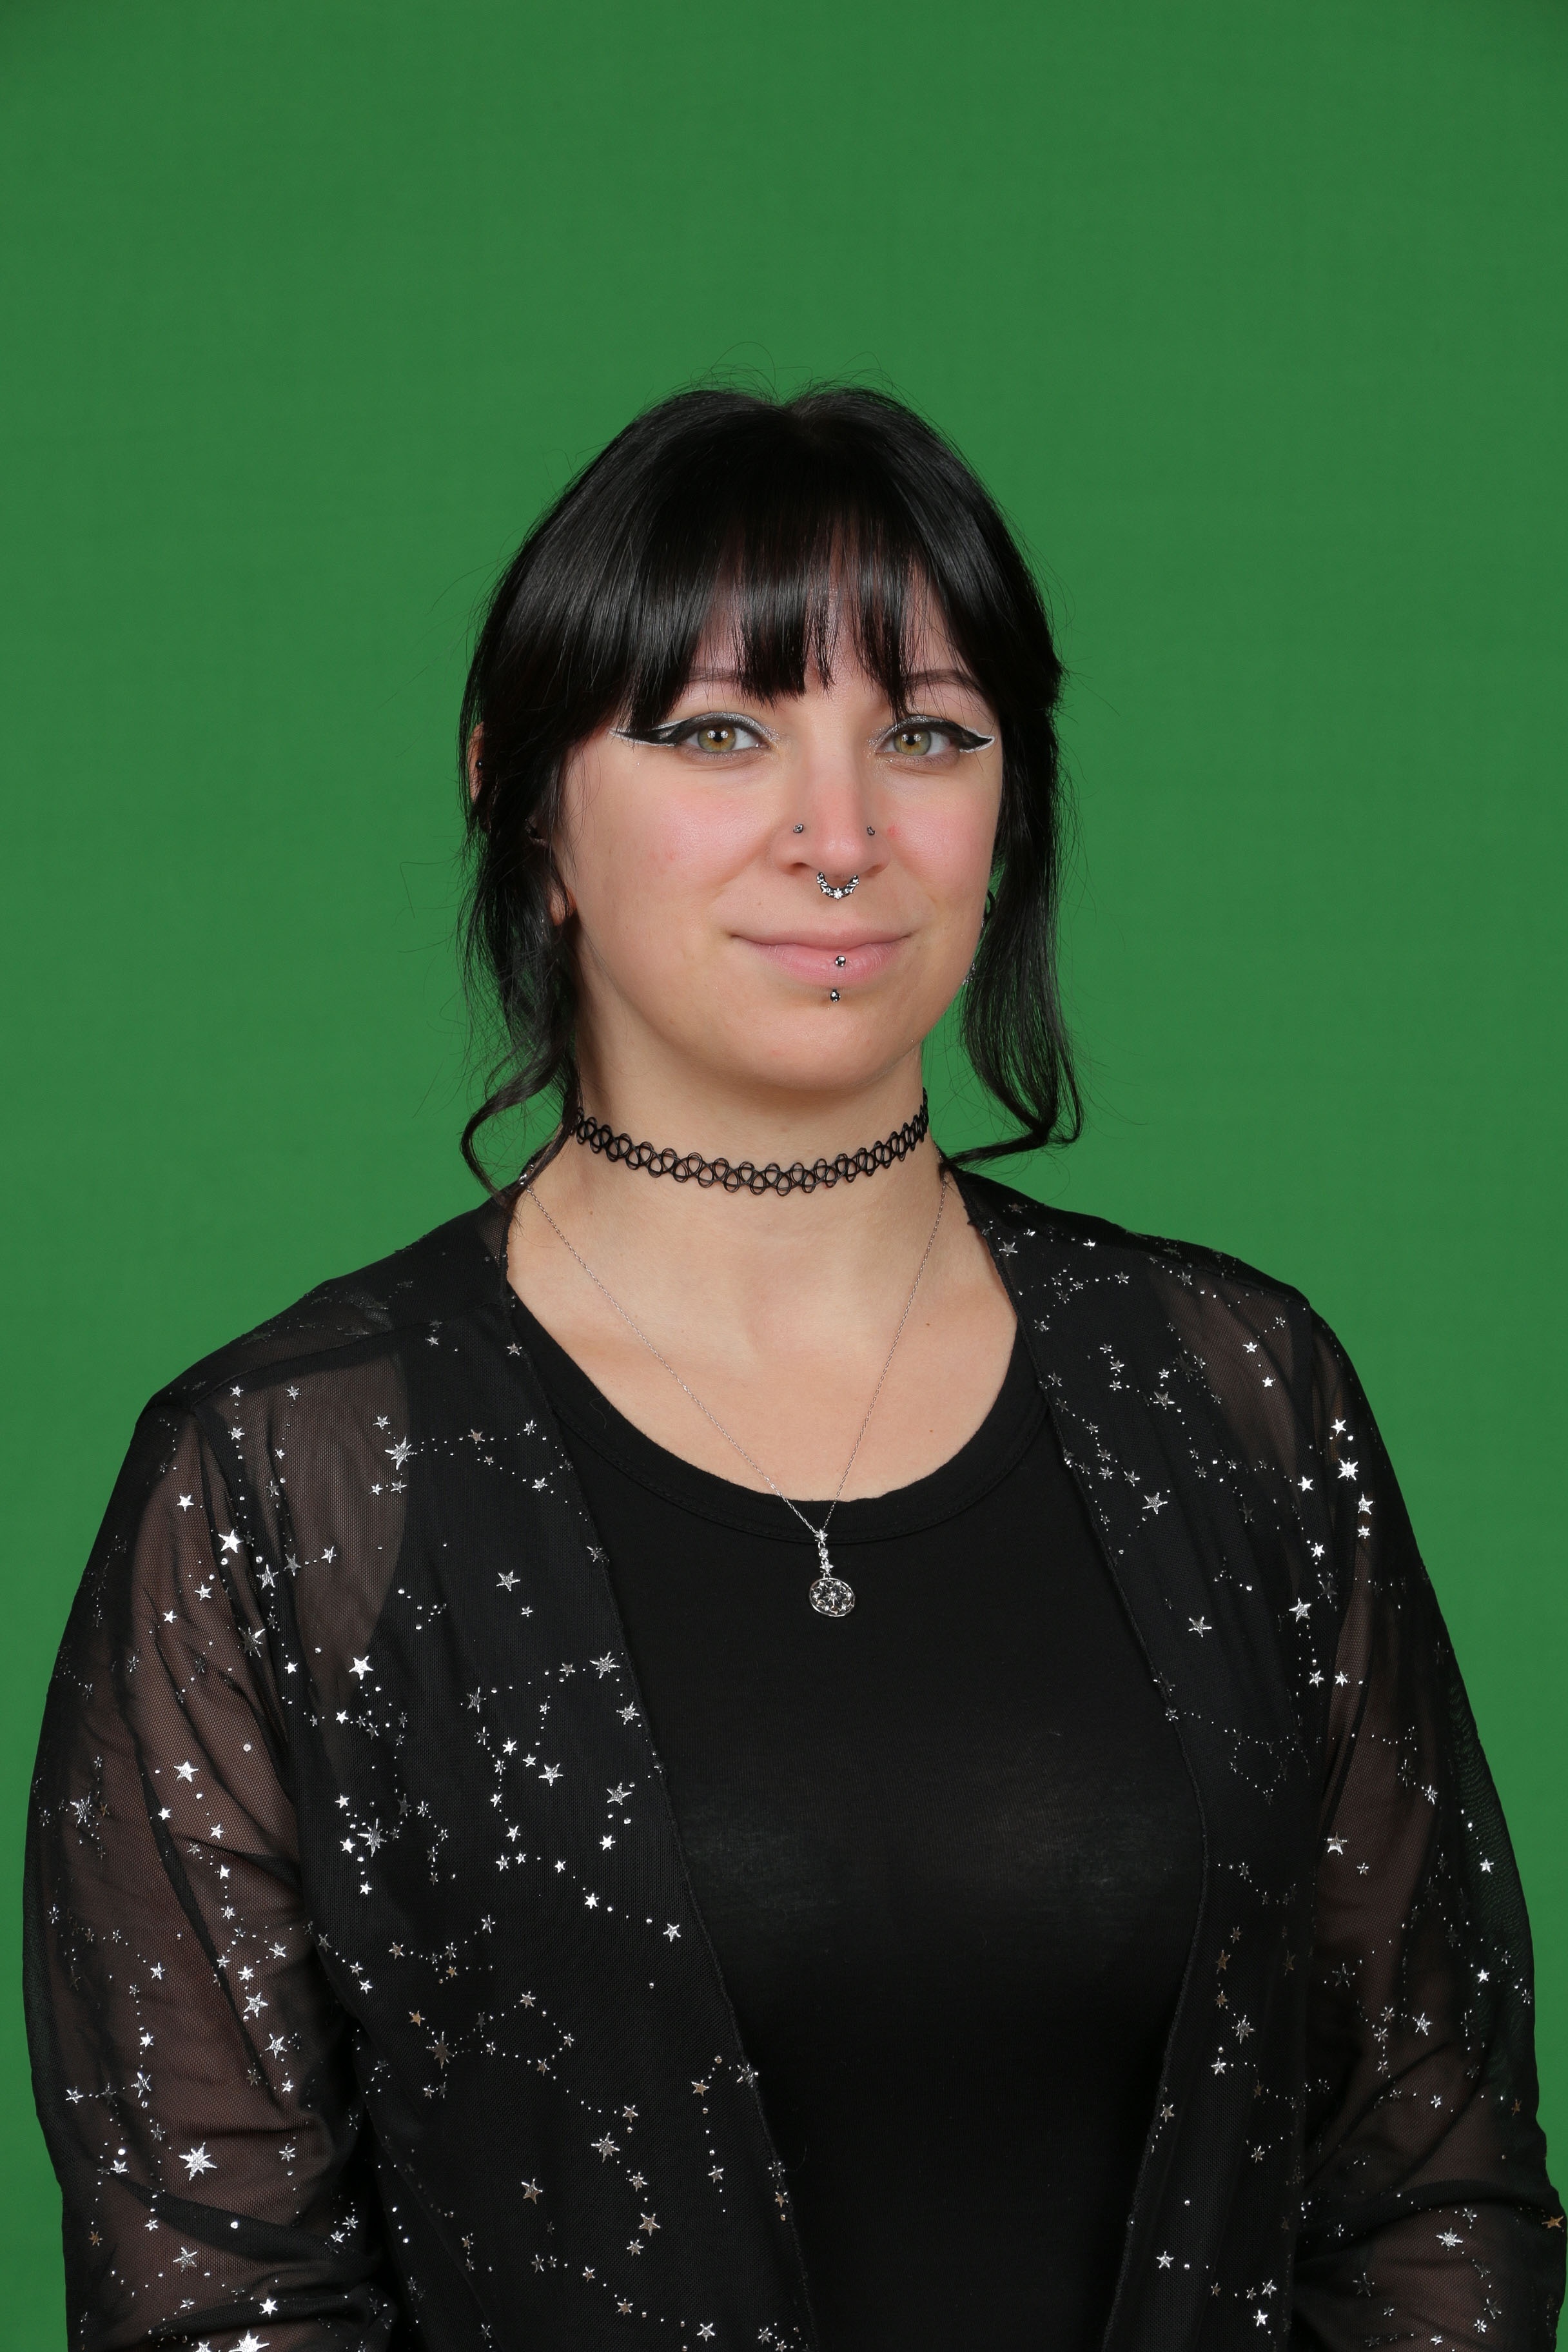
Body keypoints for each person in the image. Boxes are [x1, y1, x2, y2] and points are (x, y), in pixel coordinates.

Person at [26, 387, 1562, 2352]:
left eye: (926, 735)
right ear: (525, 802)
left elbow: (1434, 2182)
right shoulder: (276, 1477)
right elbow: (216, 2296)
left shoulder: (1242, 1395)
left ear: (1010, 806)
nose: (842, 837)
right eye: (720, 731)